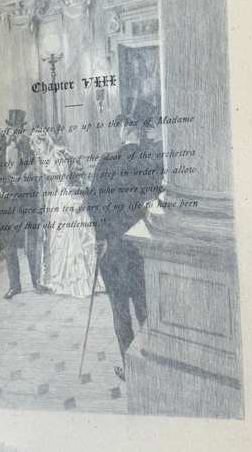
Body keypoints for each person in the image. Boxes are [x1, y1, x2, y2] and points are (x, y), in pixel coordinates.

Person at [87, 110, 157, 380]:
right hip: (143, 249)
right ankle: (153, 365)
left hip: (115, 249)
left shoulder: (108, 162)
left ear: (128, 128)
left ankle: (131, 370)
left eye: (121, 125)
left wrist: (101, 237)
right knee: (145, 308)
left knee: (120, 311)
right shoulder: (151, 161)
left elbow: (94, 203)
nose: (119, 129)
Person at [30, 130, 97, 298]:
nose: (37, 147)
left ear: (46, 141)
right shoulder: (40, 160)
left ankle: (69, 280)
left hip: (63, 198)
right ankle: (55, 278)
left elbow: (69, 174)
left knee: (66, 238)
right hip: (51, 202)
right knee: (54, 240)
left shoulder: (58, 155)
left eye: (39, 143)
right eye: (35, 145)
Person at [0, 109, 40, 299]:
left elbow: (35, 169)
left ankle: (36, 281)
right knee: (9, 246)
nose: (14, 132)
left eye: (17, 129)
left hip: (25, 201)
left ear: (21, 129)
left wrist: (26, 176)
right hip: (6, 203)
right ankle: (14, 285)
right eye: (11, 128)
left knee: (30, 244)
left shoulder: (28, 144)